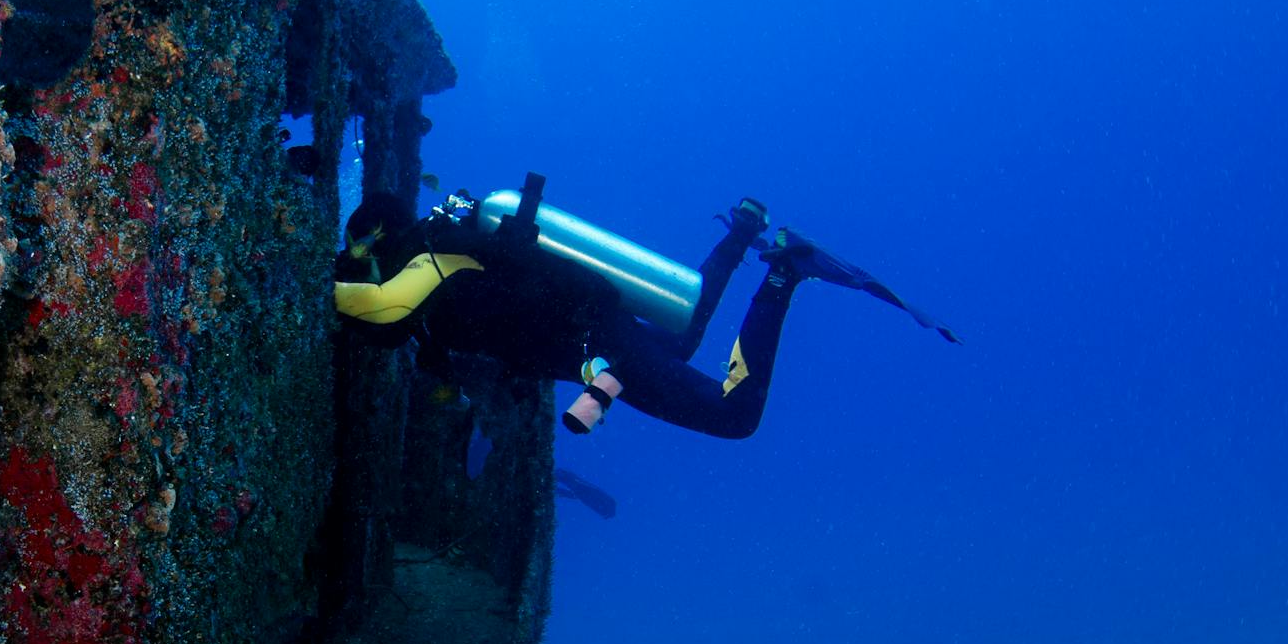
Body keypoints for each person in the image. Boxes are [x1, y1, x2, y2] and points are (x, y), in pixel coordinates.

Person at [333, 180, 955, 441]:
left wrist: (332, 280)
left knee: (734, 417)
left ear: (383, 240)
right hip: (592, 334)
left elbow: (380, 319)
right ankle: (742, 234)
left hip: (597, 347)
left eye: (365, 252)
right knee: (681, 340)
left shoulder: (430, 260)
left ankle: (783, 275)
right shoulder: (442, 254)